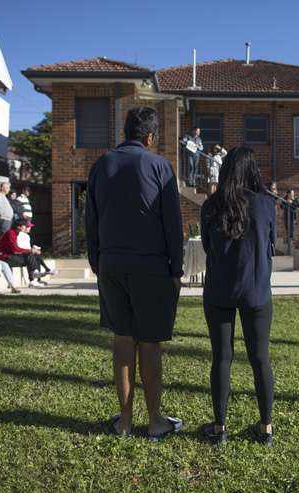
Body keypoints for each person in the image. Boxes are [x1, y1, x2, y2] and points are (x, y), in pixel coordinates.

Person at [85, 107, 184, 440]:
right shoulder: (160, 166)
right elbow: (172, 222)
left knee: (123, 341)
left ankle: (124, 422)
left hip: (111, 264)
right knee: (151, 343)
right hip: (152, 266)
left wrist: (98, 262)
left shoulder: (101, 165)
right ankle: (155, 420)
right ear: (150, 137)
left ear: (125, 132)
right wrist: (176, 266)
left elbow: (91, 220)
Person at [199, 146, 275, 446]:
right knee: (260, 359)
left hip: (219, 289)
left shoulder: (211, 205)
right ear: (252, 170)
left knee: (221, 359)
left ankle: (219, 429)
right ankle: (266, 428)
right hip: (256, 290)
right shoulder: (266, 204)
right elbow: (270, 244)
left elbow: (207, 247)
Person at [0, 219, 45, 286]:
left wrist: (30, 251)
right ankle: (33, 276)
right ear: (18, 227)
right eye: (24, 226)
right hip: (5, 257)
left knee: (33, 256)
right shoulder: (11, 233)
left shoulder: (16, 233)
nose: (26, 227)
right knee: (29, 255)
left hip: (11, 256)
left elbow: (16, 250)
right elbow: (15, 249)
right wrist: (30, 250)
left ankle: (34, 276)